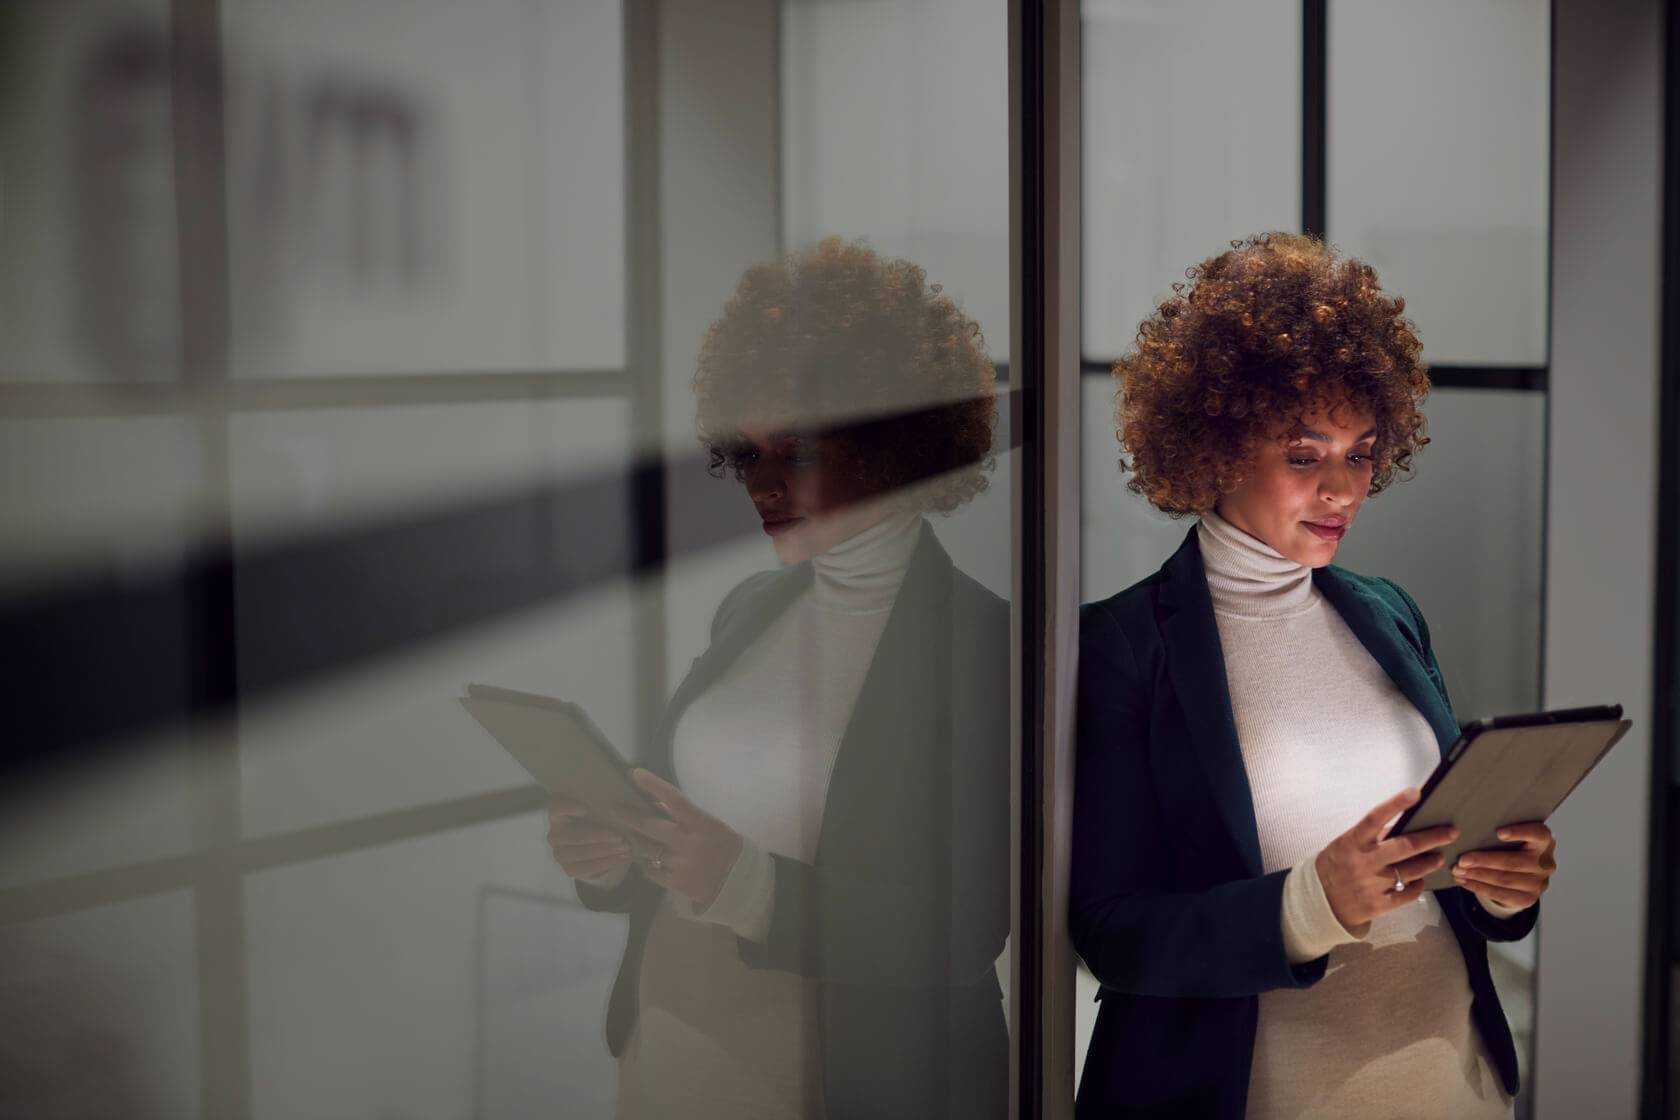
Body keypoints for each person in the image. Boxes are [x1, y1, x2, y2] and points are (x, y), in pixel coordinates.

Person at [1071, 232, 1560, 1118]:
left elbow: (1446, 884)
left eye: (1362, 453)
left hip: (1455, 1089)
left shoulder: (1387, 612)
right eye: (1305, 455)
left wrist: (1502, 893)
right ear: (1213, 449)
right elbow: (1109, 928)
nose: (1343, 490)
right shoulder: (1121, 645)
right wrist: (1308, 905)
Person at [546, 237, 1010, 1119]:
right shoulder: (751, 608)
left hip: (855, 1073)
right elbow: (672, 827)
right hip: (671, 1038)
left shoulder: (983, 645)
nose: (760, 485)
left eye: (792, 454)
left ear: (893, 448)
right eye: (746, 455)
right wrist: (608, 858)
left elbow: (966, 928)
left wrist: (746, 884)